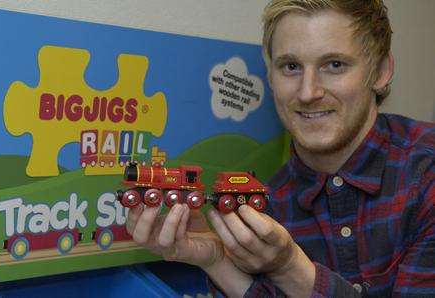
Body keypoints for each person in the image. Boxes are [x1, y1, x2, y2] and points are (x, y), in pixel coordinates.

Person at [125, 0, 435, 297]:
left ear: (380, 71)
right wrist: (216, 260)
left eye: (334, 64)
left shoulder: (425, 172)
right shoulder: (271, 199)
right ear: (270, 75)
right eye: (290, 66)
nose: (308, 91)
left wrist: (289, 268)